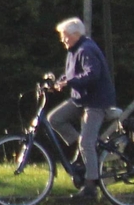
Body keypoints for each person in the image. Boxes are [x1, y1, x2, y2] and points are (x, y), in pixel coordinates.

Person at [48, 17, 117, 194]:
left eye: (65, 36)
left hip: (96, 101)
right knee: (55, 119)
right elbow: (72, 74)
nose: (62, 40)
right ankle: (83, 151)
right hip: (81, 99)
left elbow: (92, 75)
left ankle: (91, 185)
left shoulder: (86, 49)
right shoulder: (74, 50)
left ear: (76, 34)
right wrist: (59, 82)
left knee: (87, 142)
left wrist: (70, 81)